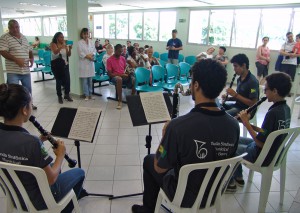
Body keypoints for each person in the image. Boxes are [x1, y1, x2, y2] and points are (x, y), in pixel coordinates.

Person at [132, 59, 240, 213]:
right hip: (214, 192)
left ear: (196, 85)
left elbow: (159, 167)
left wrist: (164, 137)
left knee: (150, 160)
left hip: (184, 195)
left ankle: (148, 209)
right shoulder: (234, 125)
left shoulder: (178, 127)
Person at [0, 83, 86, 212]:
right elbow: (51, 179)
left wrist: (39, 140)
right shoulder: (31, 143)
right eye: (30, 103)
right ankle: (64, 208)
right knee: (79, 172)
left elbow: (17, 151)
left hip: (14, 194)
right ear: (24, 109)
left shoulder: (29, 142)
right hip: (39, 200)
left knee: (53, 166)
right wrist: (61, 155)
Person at [226, 72, 292, 192]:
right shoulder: (285, 109)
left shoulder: (272, 113)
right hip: (275, 151)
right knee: (235, 139)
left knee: (229, 145)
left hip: (262, 154)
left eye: (266, 89)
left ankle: (230, 184)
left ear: (275, 91)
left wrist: (246, 123)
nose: (264, 93)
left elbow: (260, 143)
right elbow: (268, 132)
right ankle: (239, 176)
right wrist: (250, 124)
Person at [0, 19, 37, 110]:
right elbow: (3, 51)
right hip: (13, 71)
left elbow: (29, 49)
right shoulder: (5, 38)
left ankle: (29, 105)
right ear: (9, 28)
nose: (15, 29)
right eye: (12, 27)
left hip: (25, 70)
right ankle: (16, 109)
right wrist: (16, 60)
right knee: (14, 92)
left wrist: (31, 58)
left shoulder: (23, 37)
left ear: (19, 27)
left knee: (28, 89)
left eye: (17, 27)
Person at [107, 44, 136, 110]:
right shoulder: (109, 60)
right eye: (119, 51)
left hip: (123, 76)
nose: (121, 53)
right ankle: (120, 101)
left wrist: (128, 71)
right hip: (114, 77)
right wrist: (121, 75)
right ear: (115, 50)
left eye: (121, 51)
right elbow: (110, 74)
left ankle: (132, 98)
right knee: (119, 79)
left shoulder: (122, 58)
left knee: (134, 77)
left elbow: (125, 68)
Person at [50, 32, 73, 104]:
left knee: (67, 80)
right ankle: (59, 96)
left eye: (63, 37)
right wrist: (61, 46)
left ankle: (67, 94)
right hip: (57, 66)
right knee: (59, 81)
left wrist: (69, 49)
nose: (63, 38)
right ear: (57, 38)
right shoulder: (53, 44)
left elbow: (68, 55)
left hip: (65, 65)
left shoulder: (65, 45)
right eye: (61, 37)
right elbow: (55, 52)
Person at [78, 28, 96, 101]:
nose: (86, 35)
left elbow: (94, 50)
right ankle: (86, 95)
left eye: (87, 34)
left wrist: (92, 55)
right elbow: (80, 53)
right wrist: (88, 57)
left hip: (90, 63)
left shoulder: (91, 42)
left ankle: (91, 94)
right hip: (84, 63)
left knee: (90, 81)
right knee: (85, 81)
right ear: (82, 34)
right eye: (84, 34)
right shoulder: (79, 42)